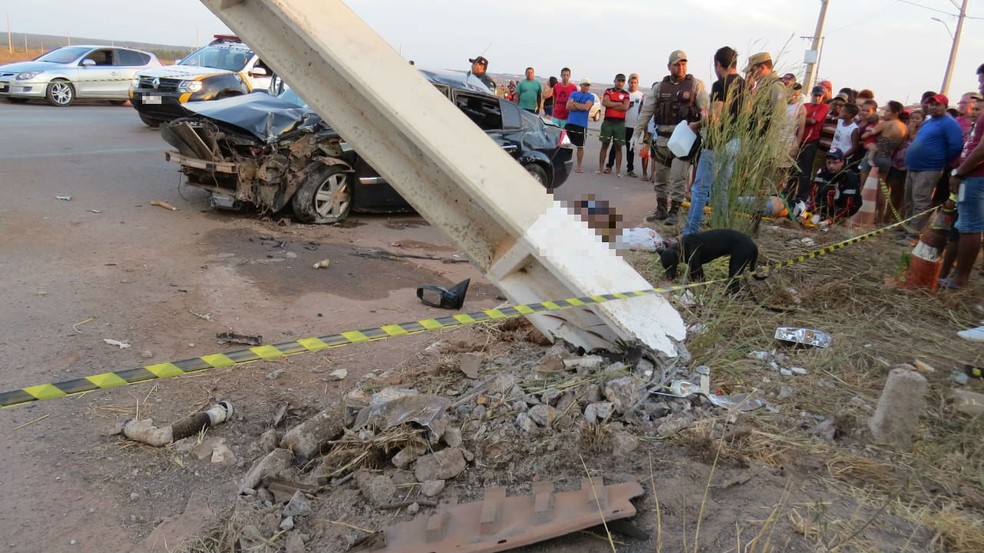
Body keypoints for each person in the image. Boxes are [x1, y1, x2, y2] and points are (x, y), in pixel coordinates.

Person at [634, 50, 709, 225]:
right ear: (669, 66)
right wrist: (637, 132)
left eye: (683, 64)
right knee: (660, 177)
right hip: (662, 138)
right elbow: (647, 111)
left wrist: (703, 124)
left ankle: (674, 211)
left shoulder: (695, 86)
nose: (681, 67)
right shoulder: (660, 87)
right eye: (677, 64)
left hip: (684, 140)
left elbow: (706, 109)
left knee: (678, 177)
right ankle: (661, 210)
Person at [682, 46, 745, 236]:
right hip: (736, 141)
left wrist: (698, 123)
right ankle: (721, 231)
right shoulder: (744, 84)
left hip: (717, 144)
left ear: (718, 64)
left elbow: (715, 117)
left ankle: (689, 234)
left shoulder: (721, 84)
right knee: (722, 190)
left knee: (700, 190)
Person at [940, 63, 984, 290]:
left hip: (976, 177)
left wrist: (961, 171)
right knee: (966, 225)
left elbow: (982, 148)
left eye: (982, 81)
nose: (980, 87)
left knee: (969, 226)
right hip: (973, 175)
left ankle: (961, 278)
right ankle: (958, 275)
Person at [903, 94, 964, 241]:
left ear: (945, 106)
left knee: (920, 200)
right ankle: (906, 229)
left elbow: (956, 146)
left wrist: (940, 159)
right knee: (909, 200)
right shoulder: (928, 122)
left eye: (937, 104)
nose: (933, 107)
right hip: (913, 166)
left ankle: (913, 234)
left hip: (929, 168)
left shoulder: (950, 124)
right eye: (931, 104)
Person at [863, 101, 907, 223]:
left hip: (875, 155)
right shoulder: (904, 127)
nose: (885, 113)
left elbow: (868, 135)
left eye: (887, 111)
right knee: (881, 190)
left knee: (863, 186)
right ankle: (880, 219)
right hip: (887, 159)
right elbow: (901, 145)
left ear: (895, 113)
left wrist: (865, 134)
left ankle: (861, 215)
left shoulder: (886, 124)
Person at [789, 86, 830, 203]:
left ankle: (801, 197)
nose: (817, 98)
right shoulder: (805, 106)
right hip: (798, 139)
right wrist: (800, 118)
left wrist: (800, 119)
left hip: (811, 141)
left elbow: (813, 121)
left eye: (819, 96)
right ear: (811, 94)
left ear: (822, 97)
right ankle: (789, 193)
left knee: (805, 170)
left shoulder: (824, 107)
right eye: (815, 95)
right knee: (792, 168)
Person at [606, 73, 644, 177]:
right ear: (628, 82)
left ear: (638, 83)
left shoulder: (641, 96)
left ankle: (630, 169)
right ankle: (609, 166)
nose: (633, 84)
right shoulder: (624, 93)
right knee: (615, 146)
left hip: (633, 126)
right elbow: (615, 106)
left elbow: (643, 111)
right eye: (631, 82)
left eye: (635, 82)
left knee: (630, 148)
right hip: (621, 124)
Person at [812, 147, 862, 222]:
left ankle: (839, 219)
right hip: (826, 205)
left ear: (842, 162)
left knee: (831, 190)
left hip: (844, 206)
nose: (831, 166)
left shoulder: (850, 177)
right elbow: (813, 193)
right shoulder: (822, 172)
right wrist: (816, 211)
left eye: (835, 162)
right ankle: (822, 215)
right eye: (829, 162)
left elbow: (849, 205)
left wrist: (832, 220)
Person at [596, 73, 631, 176]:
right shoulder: (608, 91)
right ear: (614, 81)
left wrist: (612, 104)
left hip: (619, 124)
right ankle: (600, 168)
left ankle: (618, 171)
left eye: (622, 81)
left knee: (618, 147)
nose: (620, 83)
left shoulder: (626, 94)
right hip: (608, 122)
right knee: (604, 145)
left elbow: (625, 107)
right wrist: (617, 103)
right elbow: (605, 103)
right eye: (618, 80)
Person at [565, 78, 594, 174]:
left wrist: (575, 104)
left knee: (580, 146)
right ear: (581, 85)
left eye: (588, 85)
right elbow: (568, 106)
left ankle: (579, 166)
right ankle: (562, 163)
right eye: (585, 85)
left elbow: (586, 107)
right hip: (570, 122)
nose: (586, 87)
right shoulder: (574, 94)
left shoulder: (590, 96)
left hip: (581, 124)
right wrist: (579, 106)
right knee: (564, 145)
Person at [831, 103, 860, 167]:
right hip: (832, 154)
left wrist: (842, 156)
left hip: (842, 157)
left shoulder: (854, 129)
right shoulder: (839, 121)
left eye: (842, 111)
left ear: (849, 115)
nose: (840, 112)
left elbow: (854, 147)